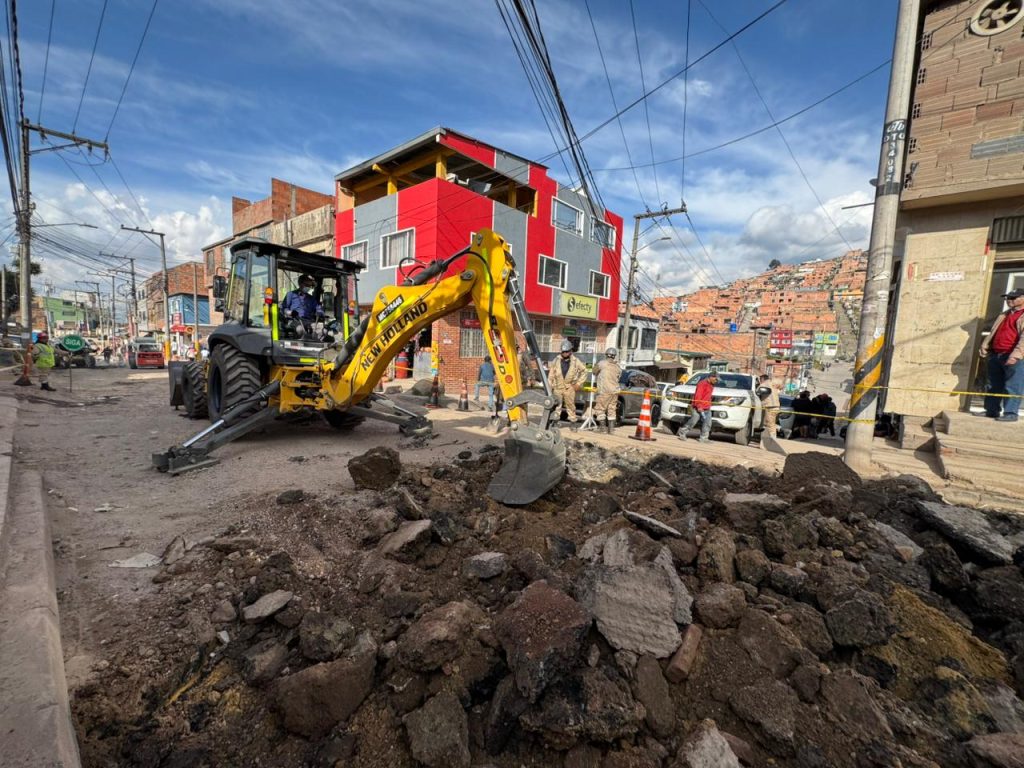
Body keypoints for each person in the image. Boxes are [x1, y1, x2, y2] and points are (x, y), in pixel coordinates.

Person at [978, 287, 1024, 422]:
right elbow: (994, 332)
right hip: (997, 354)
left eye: (1012, 298)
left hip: (1014, 356)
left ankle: (1010, 413)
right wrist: (985, 345)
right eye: (1007, 298)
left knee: (1013, 385)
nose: (1008, 300)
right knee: (992, 384)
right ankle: (991, 410)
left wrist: (1015, 355)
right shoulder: (1005, 314)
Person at [548, 339, 587, 426]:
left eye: (566, 351)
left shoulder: (576, 361)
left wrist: (578, 384)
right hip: (557, 387)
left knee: (571, 406)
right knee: (556, 406)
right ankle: (554, 423)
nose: (564, 353)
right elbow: (551, 375)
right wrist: (549, 387)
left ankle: (573, 423)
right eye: (563, 352)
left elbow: (584, 371)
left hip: (569, 388)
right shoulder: (556, 360)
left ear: (570, 351)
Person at [679, 371, 717, 443]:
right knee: (693, 421)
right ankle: (682, 432)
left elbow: (707, 396)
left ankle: (704, 438)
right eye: (716, 379)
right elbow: (698, 396)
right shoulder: (702, 384)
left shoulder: (711, 385)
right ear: (711, 377)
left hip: (707, 407)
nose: (716, 381)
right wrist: (699, 406)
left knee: (708, 423)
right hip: (698, 407)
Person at [592, 347, 622, 434]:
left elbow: (594, 371)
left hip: (604, 391)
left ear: (606, 355)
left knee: (600, 409)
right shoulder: (617, 367)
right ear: (614, 356)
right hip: (615, 391)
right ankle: (611, 429)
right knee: (611, 410)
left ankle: (602, 429)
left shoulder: (602, 363)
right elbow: (618, 378)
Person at [757, 374, 780, 447]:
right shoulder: (773, 384)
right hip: (776, 406)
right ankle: (771, 441)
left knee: (769, 425)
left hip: (769, 406)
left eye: (760, 379)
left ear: (762, 379)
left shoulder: (763, 385)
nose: (760, 381)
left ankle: (771, 443)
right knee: (772, 424)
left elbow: (757, 393)